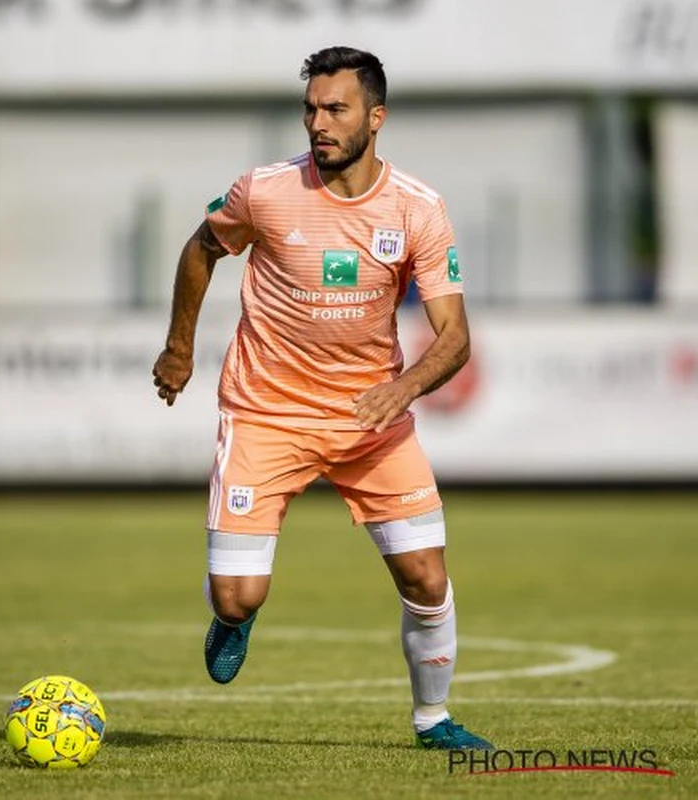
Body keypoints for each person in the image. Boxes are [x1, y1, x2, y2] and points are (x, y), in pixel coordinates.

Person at [151, 45, 493, 751]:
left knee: (426, 576)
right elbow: (201, 247)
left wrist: (399, 391)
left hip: (372, 422)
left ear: (377, 117)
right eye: (310, 108)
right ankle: (234, 619)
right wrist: (179, 346)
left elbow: (455, 338)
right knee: (238, 594)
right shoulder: (265, 191)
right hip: (265, 413)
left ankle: (433, 721)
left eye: (335, 109)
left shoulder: (419, 210)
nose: (318, 123)